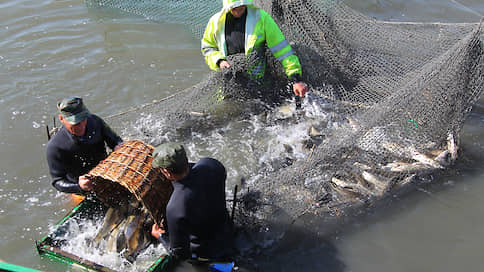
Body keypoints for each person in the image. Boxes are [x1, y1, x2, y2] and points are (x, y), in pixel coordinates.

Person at [201, 0, 308, 98]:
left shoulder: (261, 18)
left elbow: (283, 51)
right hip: (229, 87)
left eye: (240, 6)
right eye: (234, 7)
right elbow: (208, 48)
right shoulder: (215, 22)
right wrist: (219, 61)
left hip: (260, 86)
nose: (238, 10)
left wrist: (296, 79)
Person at [150, 142, 234, 262]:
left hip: (207, 252)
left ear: (167, 172)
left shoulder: (175, 207)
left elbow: (179, 253)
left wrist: (161, 236)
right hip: (227, 228)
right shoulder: (211, 164)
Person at [46, 96, 123, 195]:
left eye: (83, 119)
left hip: (105, 173)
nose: (81, 126)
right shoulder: (55, 147)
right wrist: (79, 187)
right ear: (61, 119)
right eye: (75, 123)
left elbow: (115, 140)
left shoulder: (95, 121)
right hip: (82, 187)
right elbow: (57, 181)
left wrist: (118, 146)